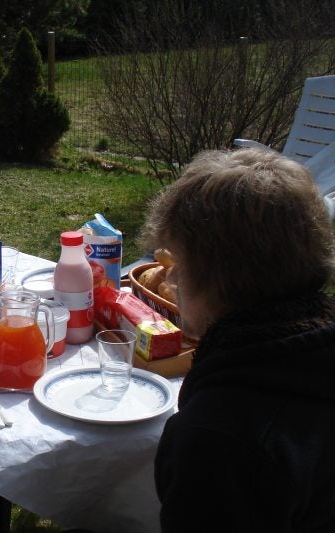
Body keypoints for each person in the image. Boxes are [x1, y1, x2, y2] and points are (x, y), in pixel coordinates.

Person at [140, 147, 335, 532]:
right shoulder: (314, 349)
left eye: (180, 263)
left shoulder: (219, 438)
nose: (171, 277)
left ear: (219, 280)